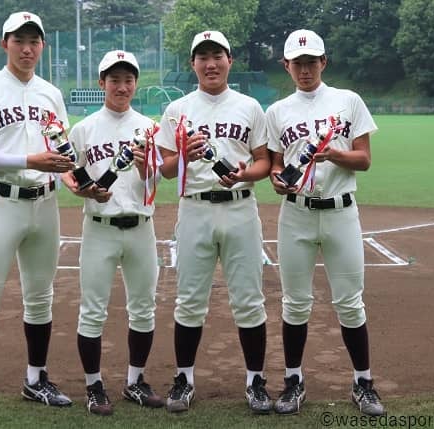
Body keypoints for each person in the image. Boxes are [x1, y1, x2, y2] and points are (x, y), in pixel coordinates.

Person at [0, 11, 73, 429]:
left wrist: (75, 176)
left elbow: (62, 148)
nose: (27, 48)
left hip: (45, 203)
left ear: (42, 46)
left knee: (40, 298)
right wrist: (29, 160)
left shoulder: (51, 94)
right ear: (4, 43)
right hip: (1, 202)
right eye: (19, 40)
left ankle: (36, 380)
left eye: (34, 41)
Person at [265, 29, 385, 416]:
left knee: (350, 303)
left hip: (341, 212)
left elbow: (364, 159)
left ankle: (363, 383)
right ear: (286, 66)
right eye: (297, 63)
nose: (305, 69)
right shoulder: (277, 111)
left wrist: (334, 154)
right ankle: (293, 381)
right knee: (295, 303)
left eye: (311, 62)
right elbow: (276, 164)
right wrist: (278, 180)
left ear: (323, 63)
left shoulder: (348, 101)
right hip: (296, 214)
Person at [154, 30, 273, 414]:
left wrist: (244, 174)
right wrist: (184, 157)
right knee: (189, 301)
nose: (210, 64)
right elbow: (165, 170)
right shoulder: (177, 110)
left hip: (240, 209)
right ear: (193, 64)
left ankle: (256, 381)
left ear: (229, 60)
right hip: (195, 209)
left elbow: (264, 162)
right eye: (202, 57)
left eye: (217, 56)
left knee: (249, 301)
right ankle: (184, 379)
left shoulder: (249, 107)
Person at [61, 50, 164, 416]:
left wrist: (147, 167)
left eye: (128, 80)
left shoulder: (150, 128)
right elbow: (70, 173)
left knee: (144, 309)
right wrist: (84, 190)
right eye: (115, 80)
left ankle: (135, 381)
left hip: (140, 228)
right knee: (92, 311)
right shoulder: (84, 129)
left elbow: (156, 180)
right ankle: (94, 386)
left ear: (136, 83)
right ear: (101, 82)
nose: (122, 86)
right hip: (100, 228)